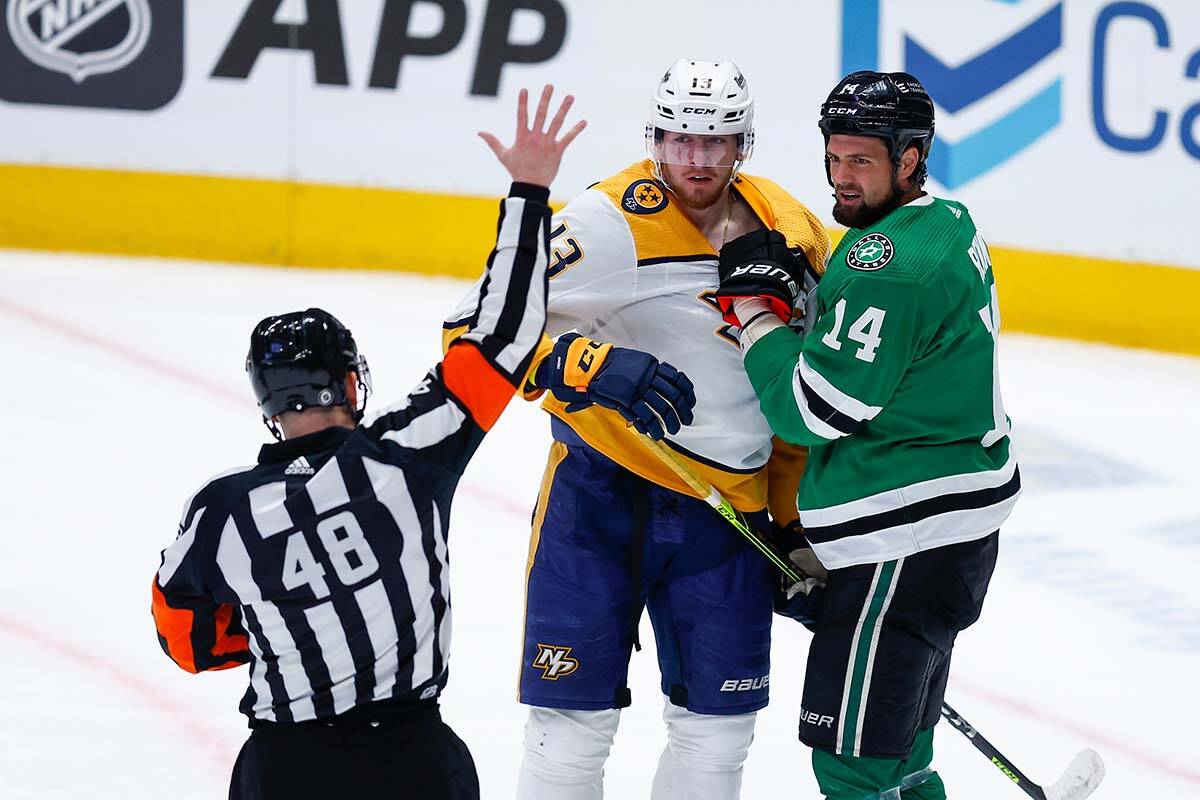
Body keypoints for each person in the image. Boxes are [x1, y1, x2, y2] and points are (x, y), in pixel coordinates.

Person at [150, 85, 586, 800]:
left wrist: (281, 626)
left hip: (284, 768)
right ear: (350, 384)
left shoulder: (220, 512)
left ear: (269, 404)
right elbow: (505, 336)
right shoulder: (404, 455)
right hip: (411, 759)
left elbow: (185, 641)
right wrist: (529, 191)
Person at [445, 60, 829, 799]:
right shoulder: (607, 220)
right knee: (568, 733)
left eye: (717, 142)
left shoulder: (792, 229)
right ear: (655, 136)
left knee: (717, 737)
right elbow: (474, 328)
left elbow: (799, 396)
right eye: (681, 138)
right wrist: (579, 363)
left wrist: (793, 524)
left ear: (743, 144)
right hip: (599, 497)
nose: (697, 159)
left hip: (729, 515)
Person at [713, 71, 1021, 799]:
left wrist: (756, 314)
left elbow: (809, 409)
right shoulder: (948, 221)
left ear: (910, 158)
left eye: (863, 162)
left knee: (852, 767)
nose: (842, 179)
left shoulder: (889, 265)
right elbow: (889, 361)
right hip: (953, 529)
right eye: (835, 158)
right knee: (901, 757)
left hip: (903, 541)